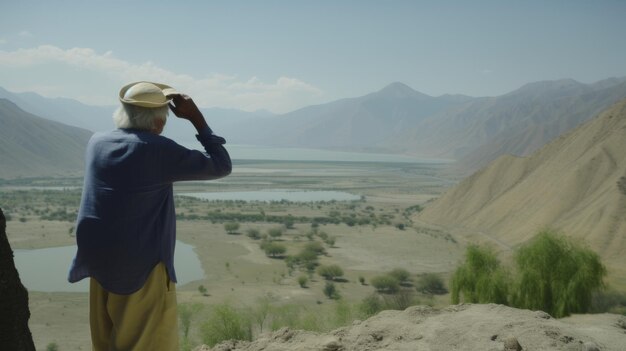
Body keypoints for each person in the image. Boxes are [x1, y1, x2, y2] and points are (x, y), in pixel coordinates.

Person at [68, 81, 232, 350]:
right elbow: (221, 165)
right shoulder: (157, 149)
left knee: (107, 341)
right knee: (148, 343)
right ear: (159, 121)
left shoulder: (97, 142)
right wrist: (197, 119)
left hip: (97, 260)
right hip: (140, 267)